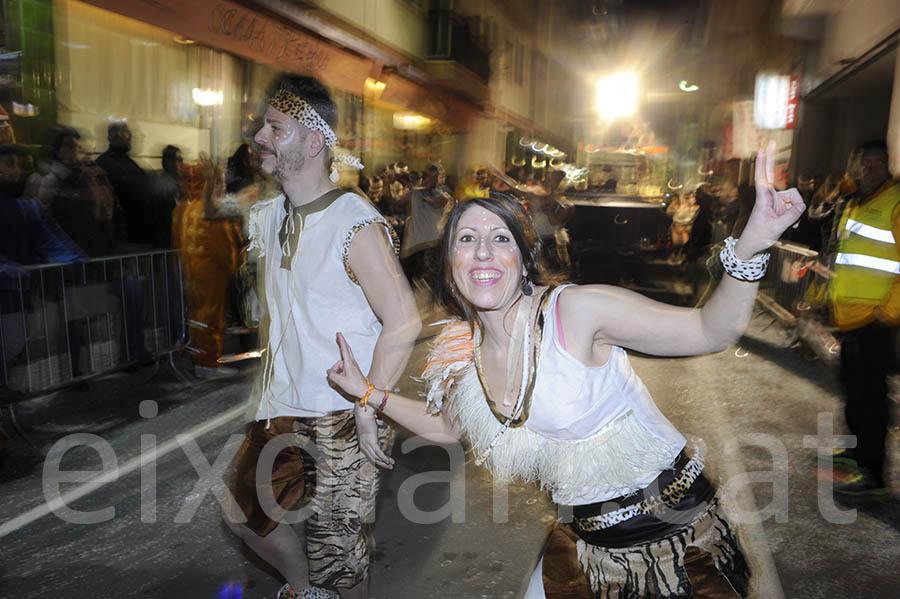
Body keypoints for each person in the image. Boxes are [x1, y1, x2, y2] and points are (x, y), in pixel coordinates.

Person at [327, 142, 804, 598]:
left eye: (501, 239)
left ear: (524, 258)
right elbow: (450, 426)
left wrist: (754, 243)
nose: (484, 253)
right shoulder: (461, 352)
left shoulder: (573, 313)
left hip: (670, 536)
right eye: (467, 240)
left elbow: (708, 330)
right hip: (584, 537)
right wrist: (369, 394)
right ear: (451, 263)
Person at [222, 74, 420, 599]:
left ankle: (325, 588)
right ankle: (307, 590)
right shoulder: (270, 216)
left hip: (339, 416)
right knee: (243, 513)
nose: (261, 138)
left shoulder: (355, 221)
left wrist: (367, 404)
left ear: (313, 142)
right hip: (279, 407)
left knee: (341, 559)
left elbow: (404, 320)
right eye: (264, 125)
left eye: (275, 127)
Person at [826, 141, 899, 498]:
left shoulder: (895, 204)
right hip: (850, 320)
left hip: (874, 323)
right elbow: (847, 260)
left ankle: (873, 474)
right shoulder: (855, 204)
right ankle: (856, 454)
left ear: (889, 166)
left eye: (877, 163)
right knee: (854, 396)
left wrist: (888, 314)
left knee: (870, 401)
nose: (869, 169)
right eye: (864, 162)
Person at [95, 120, 152, 248]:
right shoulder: (103, 164)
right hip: (125, 237)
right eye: (125, 132)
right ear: (112, 135)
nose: (130, 136)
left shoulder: (129, 162)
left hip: (141, 234)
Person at [399, 163, 453, 280]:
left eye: (436, 178)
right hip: (413, 247)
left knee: (429, 282)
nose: (433, 181)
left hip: (432, 245)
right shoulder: (414, 193)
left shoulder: (444, 196)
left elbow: (435, 203)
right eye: (429, 177)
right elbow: (396, 203)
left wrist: (419, 190)